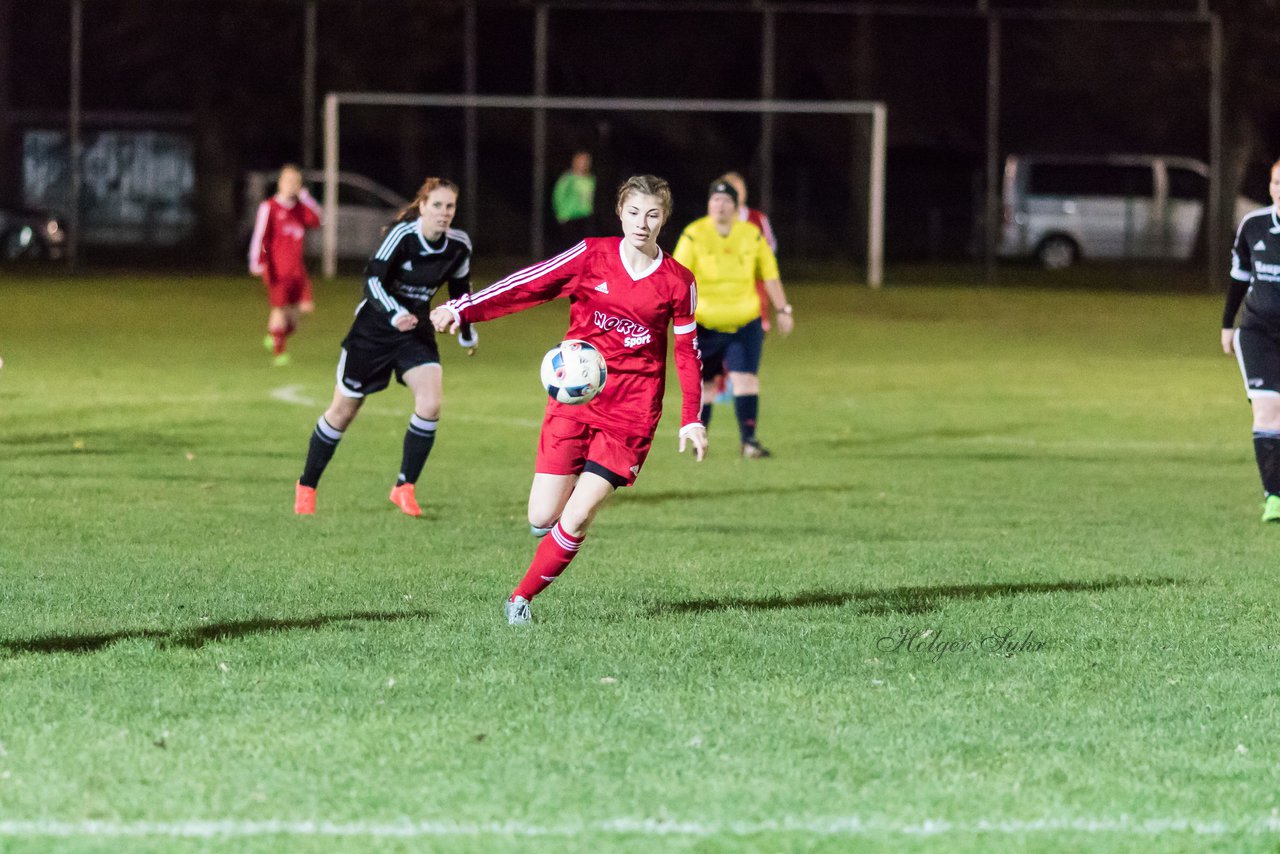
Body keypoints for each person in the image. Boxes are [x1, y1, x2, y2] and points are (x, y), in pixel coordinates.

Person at [430, 175, 707, 626]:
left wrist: (691, 418)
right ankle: (560, 529)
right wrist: (463, 308)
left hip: (631, 414)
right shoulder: (592, 255)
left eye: (652, 214)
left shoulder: (678, 282)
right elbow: (527, 285)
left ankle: (520, 599)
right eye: (634, 212)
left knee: (576, 517)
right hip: (574, 403)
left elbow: (687, 353)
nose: (642, 223)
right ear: (620, 213)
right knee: (542, 517)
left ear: (665, 219)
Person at [294, 177, 477, 517]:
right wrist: (394, 313)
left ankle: (404, 488)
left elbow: (460, 291)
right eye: (437, 205)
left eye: (450, 206)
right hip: (375, 329)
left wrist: (466, 327)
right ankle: (307, 485)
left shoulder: (459, 245)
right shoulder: (403, 236)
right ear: (422, 206)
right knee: (343, 411)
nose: (444, 213)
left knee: (431, 402)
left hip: (415, 332)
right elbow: (373, 280)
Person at [673, 179, 794, 458]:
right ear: (709, 205)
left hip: (744, 322)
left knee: (746, 379)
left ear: (736, 206)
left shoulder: (751, 235)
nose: (720, 206)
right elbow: (677, 276)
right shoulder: (694, 234)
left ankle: (749, 441)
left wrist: (783, 309)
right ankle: (699, 439)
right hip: (704, 324)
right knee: (705, 384)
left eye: (726, 201)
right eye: (715, 200)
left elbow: (770, 274)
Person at [1221, 157, 1280, 522]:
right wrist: (1228, 324)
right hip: (1258, 332)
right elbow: (1240, 276)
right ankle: (1275, 496)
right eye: (1276, 183)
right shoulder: (1253, 225)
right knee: (1268, 410)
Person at [248, 164, 323, 366]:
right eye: (288, 181)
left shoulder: (300, 208)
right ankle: (279, 353)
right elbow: (260, 236)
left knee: (300, 314)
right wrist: (257, 261)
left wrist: (306, 198)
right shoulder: (269, 207)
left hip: (297, 269)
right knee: (279, 310)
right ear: (280, 183)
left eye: (296, 182)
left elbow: (317, 220)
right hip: (276, 268)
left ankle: (275, 336)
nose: (292, 186)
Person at [552, 150, 596, 249]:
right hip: (570, 217)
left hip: (586, 216)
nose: (584, 164)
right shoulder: (568, 178)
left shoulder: (591, 179)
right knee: (571, 246)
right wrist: (561, 214)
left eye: (586, 161)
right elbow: (558, 195)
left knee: (587, 245)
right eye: (581, 161)